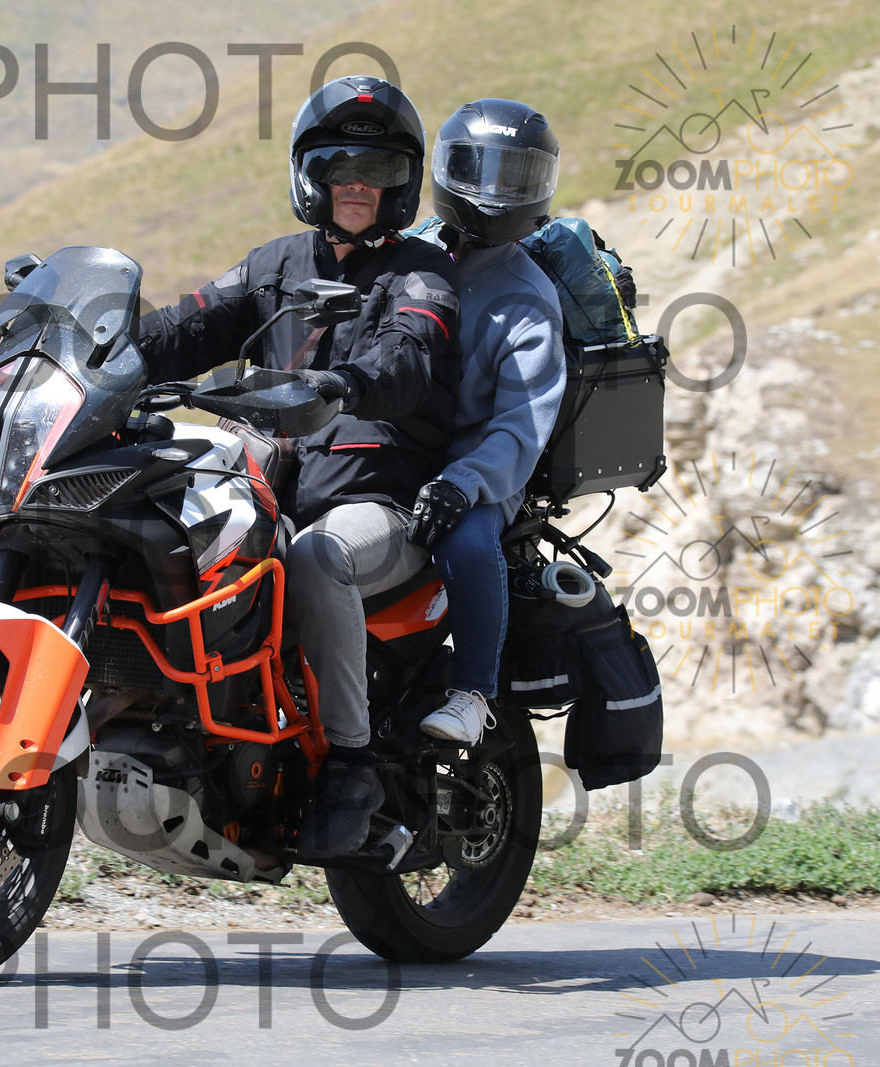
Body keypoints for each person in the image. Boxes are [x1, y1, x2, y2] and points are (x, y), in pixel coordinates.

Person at [137, 75, 461, 858]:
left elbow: (409, 354)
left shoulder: (422, 273)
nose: (356, 183)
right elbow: (182, 328)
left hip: (384, 508)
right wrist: (96, 348)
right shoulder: (274, 265)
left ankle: (351, 763)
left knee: (319, 556)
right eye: (337, 165)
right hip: (280, 495)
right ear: (307, 173)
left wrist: (347, 381)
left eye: (377, 169)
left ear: (402, 183)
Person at [404, 99, 566, 744]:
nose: (496, 192)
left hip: (478, 471)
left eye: (516, 178)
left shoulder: (528, 300)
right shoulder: (409, 253)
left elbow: (521, 430)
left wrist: (463, 484)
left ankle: (473, 693)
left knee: (467, 542)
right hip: (392, 448)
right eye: (481, 170)